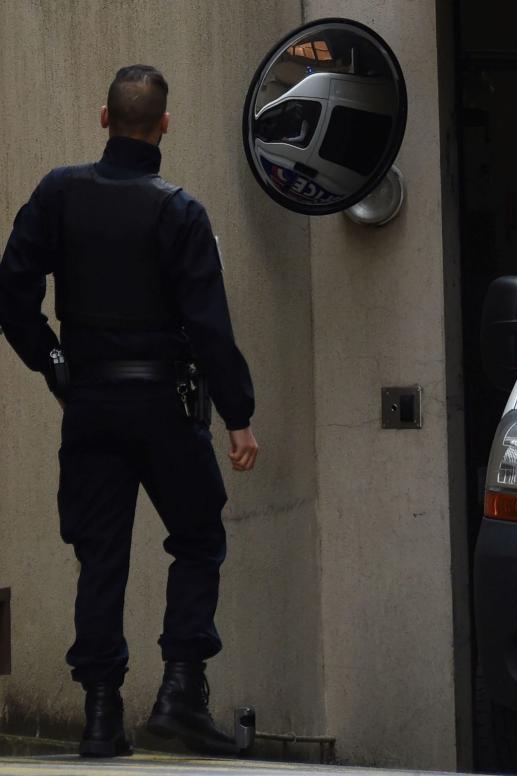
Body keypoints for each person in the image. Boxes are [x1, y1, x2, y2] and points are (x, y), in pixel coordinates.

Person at [0, 65, 259, 758]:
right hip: (167, 406)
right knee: (199, 539)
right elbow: (210, 326)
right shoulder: (180, 212)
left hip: (90, 403)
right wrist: (238, 415)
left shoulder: (59, 194)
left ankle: (100, 717)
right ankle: (180, 693)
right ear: (164, 125)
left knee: (101, 555)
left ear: (104, 117)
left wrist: (52, 362)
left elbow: (12, 288)